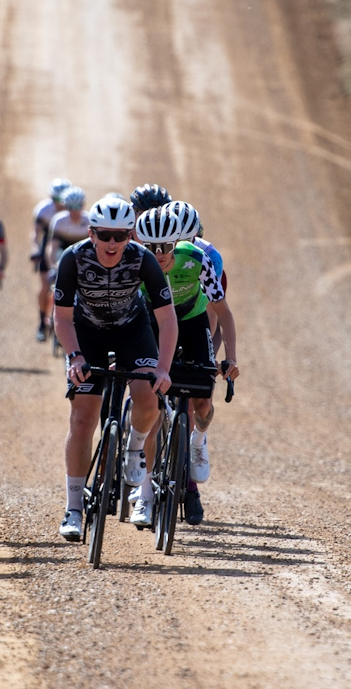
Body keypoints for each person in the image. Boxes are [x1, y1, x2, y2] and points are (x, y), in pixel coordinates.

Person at [53, 196, 177, 539]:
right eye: (104, 235)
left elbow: (166, 320)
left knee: (148, 395)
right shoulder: (73, 258)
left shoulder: (144, 259)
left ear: (130, 235)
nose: (112, 243)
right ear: (91, 233)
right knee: (82, 418)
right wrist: (75, 356)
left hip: (132, 330)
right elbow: (61, 318)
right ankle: (74, 508)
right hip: (87, 332)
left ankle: (135, 449)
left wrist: (163, 369)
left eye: (120, 236)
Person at [133, 203, 231, 526]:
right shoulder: (136, 263)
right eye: (151, 247)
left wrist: (229, 357)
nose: (158, 253)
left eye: (165, 247)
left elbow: (222, 312)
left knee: (203, 401)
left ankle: (197, 442)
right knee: (152, 407)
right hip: (154, 322)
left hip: (191, 322)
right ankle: (145, 493)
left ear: (178, 243)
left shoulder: (199, 260)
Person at [171, 201, 239, 525]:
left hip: (200, 325)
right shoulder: (157, 252)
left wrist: (212, 358)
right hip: (165, 323)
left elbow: (214, 314)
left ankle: (198, 441)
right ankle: (177, 483)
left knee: (200, 402)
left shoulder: (208, 257)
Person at [31, 178, 70, 341]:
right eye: (55, 199)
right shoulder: (44, 209)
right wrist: (34, 248)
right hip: (48, 247)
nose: (59, 203)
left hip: (67, 246)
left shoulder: (73, 209)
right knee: (45, 285)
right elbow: (35, 232)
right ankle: (41, 323)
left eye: (61, 200)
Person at [44, 187, 89, 271]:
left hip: (83, 256)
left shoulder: (89, 220)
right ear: (65, 206)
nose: (75, 210)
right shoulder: (58, 220)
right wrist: (53, 267)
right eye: (71, 207)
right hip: (63, 254)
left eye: (78, 206)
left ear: (83, 205)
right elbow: (52, 248)